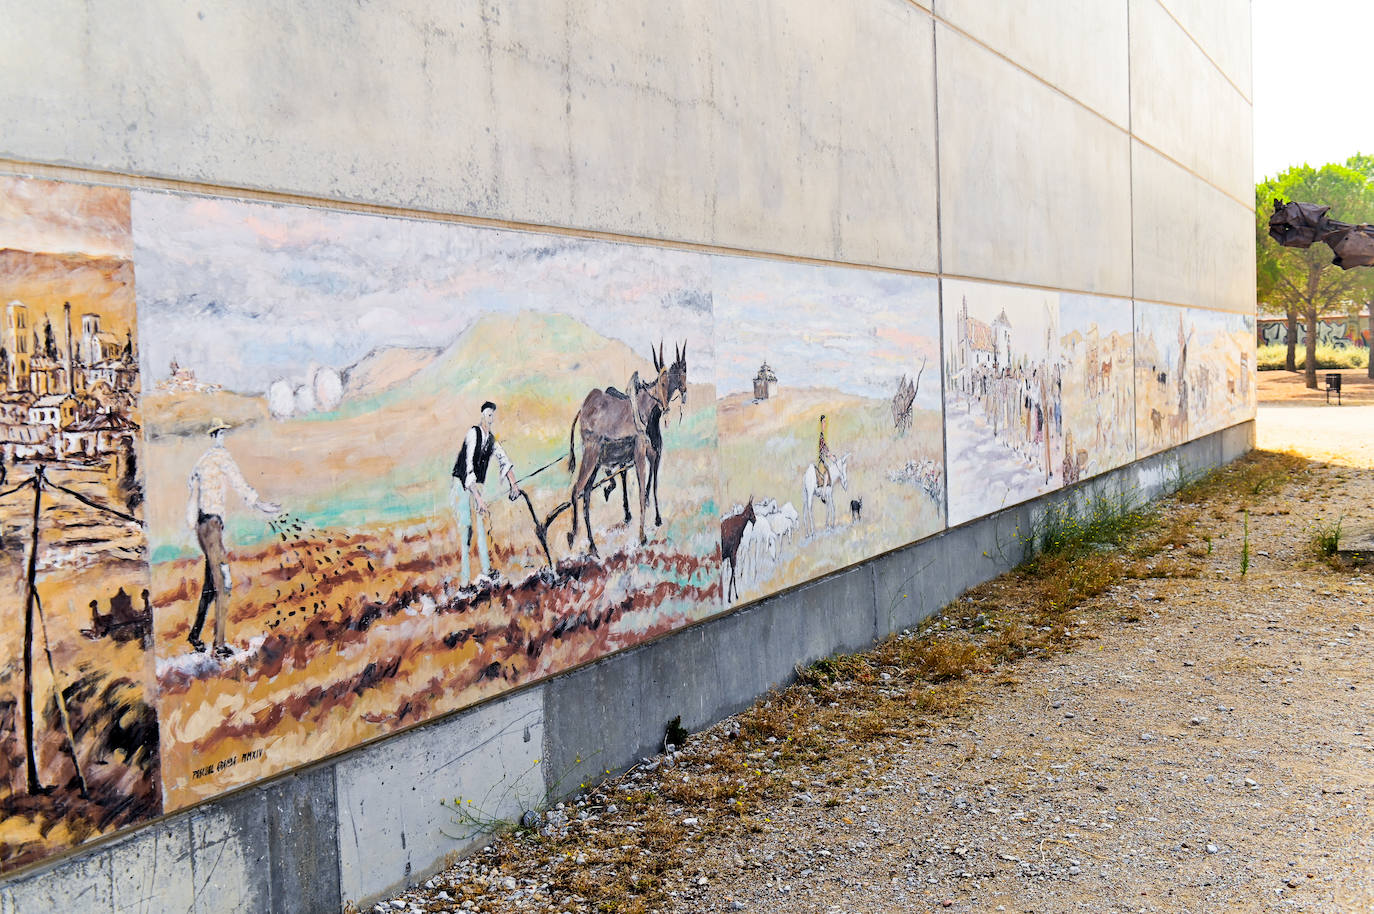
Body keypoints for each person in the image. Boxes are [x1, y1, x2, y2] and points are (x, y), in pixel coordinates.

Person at [185, 418, 280, 657]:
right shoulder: (220, 458)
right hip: (212, 526)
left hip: (203, 527)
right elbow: (238, 482)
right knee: (224, 584)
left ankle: (195, 635)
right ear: (217, 435)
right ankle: (219, 646)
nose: (223, 438)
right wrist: (259, 504)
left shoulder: (201, 461)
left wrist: (195, 524)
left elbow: (192, 492)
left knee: (210, 584)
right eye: (221, 434)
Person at [450, 401, 520, 588]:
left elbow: (504, 460)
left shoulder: (491, 440)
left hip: (476, 488)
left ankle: (486, 572)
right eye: (488, 415)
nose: (491, 419)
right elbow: (468, 468)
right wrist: (479, 498)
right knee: (467, 529)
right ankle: (464, 583)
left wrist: (514, 485)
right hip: (462, 485)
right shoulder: (473, 434)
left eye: (492, 415)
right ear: (482, 415)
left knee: (481, 528)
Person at [816, 414, 834, 488]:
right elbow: (822, 448)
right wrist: (829, 455)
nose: (825, 424)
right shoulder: (821, 435)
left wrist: (830, 455)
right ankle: (823, 495)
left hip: (824, 460)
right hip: (822, 461)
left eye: (825, 422)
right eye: (823, 422)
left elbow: (825, 447)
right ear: (820, 423)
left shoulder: (823, 435)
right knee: (826, 475)